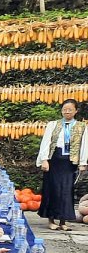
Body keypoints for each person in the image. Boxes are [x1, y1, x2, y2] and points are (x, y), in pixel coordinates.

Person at [37, 99, 87, 231]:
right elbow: (46, 142)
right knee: (52, 189)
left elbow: (84, 146)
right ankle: (51, 219)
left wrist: (82, 162)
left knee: (66, 190)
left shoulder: (82, 127)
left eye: (70, 109)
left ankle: (63, 221)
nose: (67, 112)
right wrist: (44, 159)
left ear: (76, 111)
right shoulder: (53, 125)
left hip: (69, 161)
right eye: (65, 109)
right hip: (54, 159)